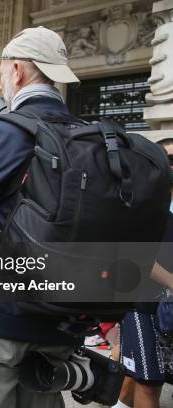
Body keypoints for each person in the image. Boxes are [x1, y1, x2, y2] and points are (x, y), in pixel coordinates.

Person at [0, 27, 84, 407]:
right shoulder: (85, 137)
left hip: (0, 312)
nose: (1, 81)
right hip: (60, 315)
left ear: (17, 72)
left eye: (1, 73)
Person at [114, 138, 173, 408]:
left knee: (135, 381)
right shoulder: (142, 202)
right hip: (143, 305)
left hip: (168, 310)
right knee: (149, 384)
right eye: (170, 160)